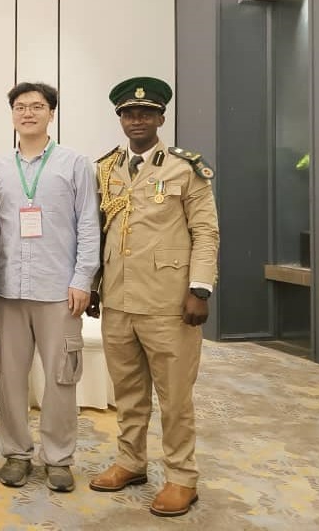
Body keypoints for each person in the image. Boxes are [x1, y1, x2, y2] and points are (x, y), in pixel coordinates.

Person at [88, 76, 219, 518]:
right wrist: (92, 284)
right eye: (129, 113)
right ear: (120, 119)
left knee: (175, 396)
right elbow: (100, 231)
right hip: (119, 301)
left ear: (162, 117)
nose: (137, 119)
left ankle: (182, 477)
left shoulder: (185, 168)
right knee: (128, 391)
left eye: (146, 112)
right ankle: (131, 461)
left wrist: (199, 289)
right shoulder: (106, 168)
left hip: (169, 304)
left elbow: (205, 232)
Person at [0, 82, 100, 492]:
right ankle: (16, 453)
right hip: (9, 291)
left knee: (60, 379)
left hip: (59, 291)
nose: (28, 113)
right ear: (12, 114)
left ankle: (58, 458)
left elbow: (89, 224)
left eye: (37, 106)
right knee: (10, 378)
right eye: (20, 106)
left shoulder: (75, 164)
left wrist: (83, 278)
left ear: (52, 113)